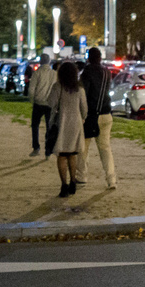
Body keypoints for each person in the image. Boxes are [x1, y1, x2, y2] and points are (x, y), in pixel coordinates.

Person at [76, 48, 117, 189]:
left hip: (90, 115)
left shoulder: (86, 72)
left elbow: (83, 94)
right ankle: (111, 179)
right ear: (100, 58)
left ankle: (81, 176)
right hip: (106, 113)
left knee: (84, 147)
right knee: (105, 148)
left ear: (88, 58)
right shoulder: (107, 72)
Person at [46, 60, 87, 197]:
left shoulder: (58, 87)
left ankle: (64, 185)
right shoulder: (79, 89)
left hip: (62, 124)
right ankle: (73, 182)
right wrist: (82, 118)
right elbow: (84, 109)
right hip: (75, 124)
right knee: (72, 154)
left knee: (62, 155)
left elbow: (51, 103)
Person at [27, 51, 57, 157]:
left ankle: (36, 147)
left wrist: (32, 100)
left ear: (40, 62)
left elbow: (31, 89)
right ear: (49, 62)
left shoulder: (37, 73)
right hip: (50, 104)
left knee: (35, 125)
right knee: (49, 127)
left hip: (38, 103)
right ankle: (48, 150)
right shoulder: (54, 74)